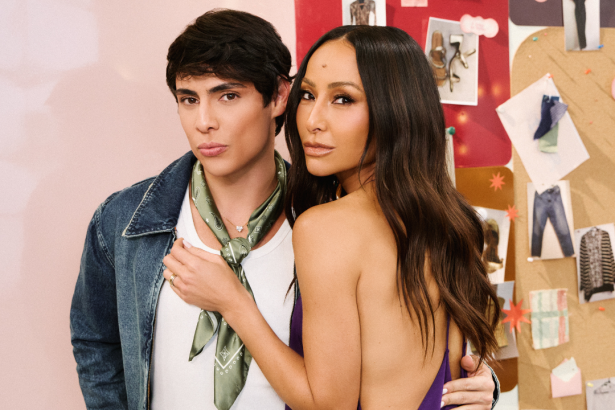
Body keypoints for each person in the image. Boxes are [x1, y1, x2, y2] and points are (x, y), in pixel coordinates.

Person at [70, 9, 499, 410]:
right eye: (188, 99)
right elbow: (95, 342)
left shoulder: (321, 218)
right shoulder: (125, 221)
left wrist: (482, 385)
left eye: (227, 96)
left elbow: (353, 387)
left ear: (278, 97)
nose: (204, 122)